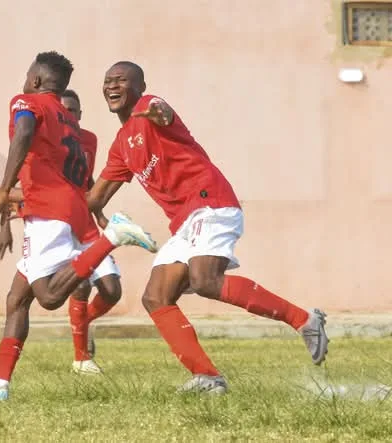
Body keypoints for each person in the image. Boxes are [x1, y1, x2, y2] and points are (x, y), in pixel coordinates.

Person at [87, 61, 329, 394]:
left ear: (140, 86)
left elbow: (163, 112)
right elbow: (93, 198)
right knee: (155, 298)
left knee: (205, 281)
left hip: (210, 203)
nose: (112, 86)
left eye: (121, 80)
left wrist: (160, 111)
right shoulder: (120, 146)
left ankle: (305, 320)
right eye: (107, 81)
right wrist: (23, 197)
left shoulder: (148, 106)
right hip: (186, 222)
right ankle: (207, 377)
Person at [0, 51, 157, 401]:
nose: (24, 82)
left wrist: (3, 191)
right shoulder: (67, 120)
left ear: (37, 80)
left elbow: (23, 133)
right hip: (63, 207)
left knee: (50, 296)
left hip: (50, 213)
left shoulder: (28, 101)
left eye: (27, 76)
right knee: (17, 299)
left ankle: (113, 237)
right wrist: (14, 196)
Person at [0, 89, 122, 375]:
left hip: (77, 220)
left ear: (78, 116)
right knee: (29, 296)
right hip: (54, 217)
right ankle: (77, 360)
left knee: (110, 290)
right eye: (64, 109)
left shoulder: (87, 140)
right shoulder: (44, 141)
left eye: (74, 111)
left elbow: (85, 180)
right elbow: (27, 182)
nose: (68, 114)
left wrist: (100, 213)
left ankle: (83, 324)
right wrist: (6, 226)